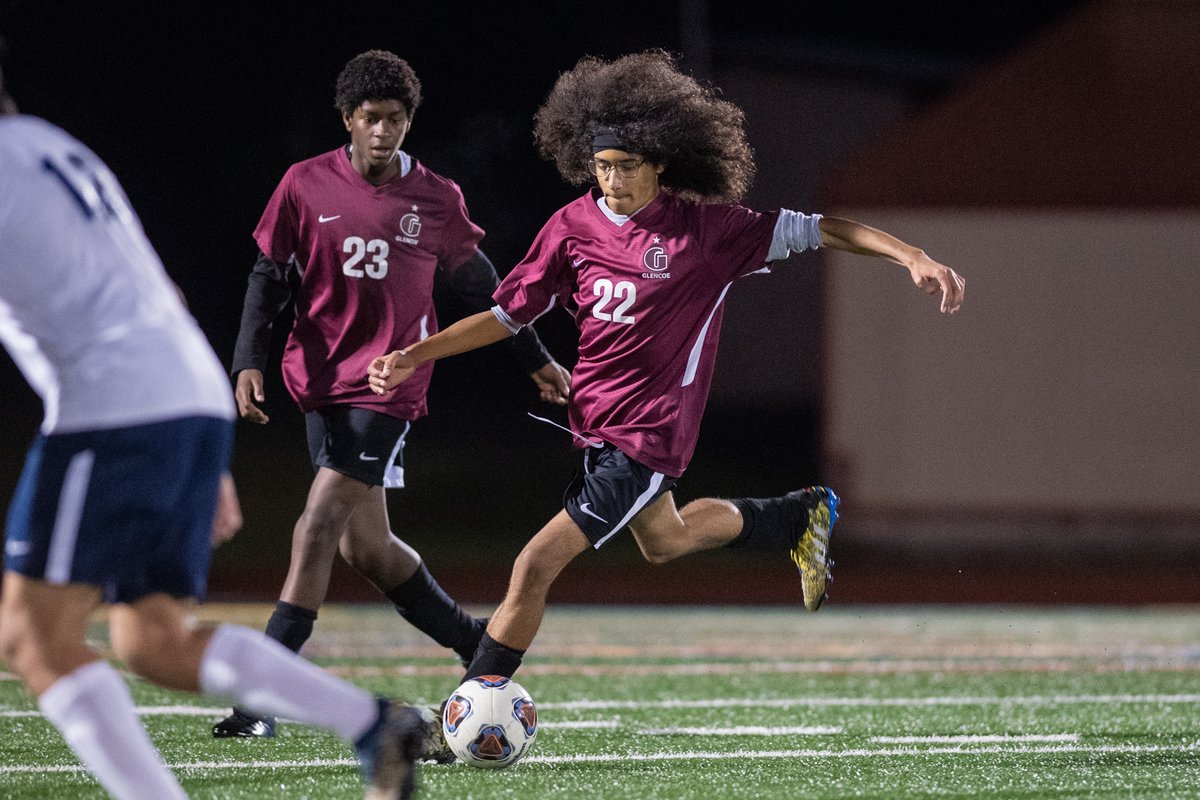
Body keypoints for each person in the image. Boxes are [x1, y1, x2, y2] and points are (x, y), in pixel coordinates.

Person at [367, 50, 965, 682]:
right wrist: (415, 354)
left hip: (646, 436)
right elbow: (507, 316)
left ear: (659, 163)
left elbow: (827, 230)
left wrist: (913, 256)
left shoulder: (706, 233)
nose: (612, 181)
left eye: (626, 167)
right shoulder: (571, 227)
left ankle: (469, 703)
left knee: (534, 565)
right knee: (665, 541)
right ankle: (796, 514)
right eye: (600, 168)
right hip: (595, 427)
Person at [0, 67, 424, 800]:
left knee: (31, 638)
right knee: (151, 641)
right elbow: (157, 289)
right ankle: (374, 722)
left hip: (115, 405)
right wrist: (200, 455)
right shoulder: (49, 146)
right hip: (178, 397)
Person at [215, 50, 570, 741]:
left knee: (316, 526)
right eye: (372, 118)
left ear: (410, 123)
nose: (384, 131)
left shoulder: (436, 197)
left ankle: (262, 696)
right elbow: (270, 275)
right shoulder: (303, 184)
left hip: (389, 386)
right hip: (318, 381)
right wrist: (247, 361)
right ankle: (478, 648)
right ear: (348, 119)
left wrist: (535, 357)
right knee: (367, 549)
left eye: (397, 120)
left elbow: (484, 290)